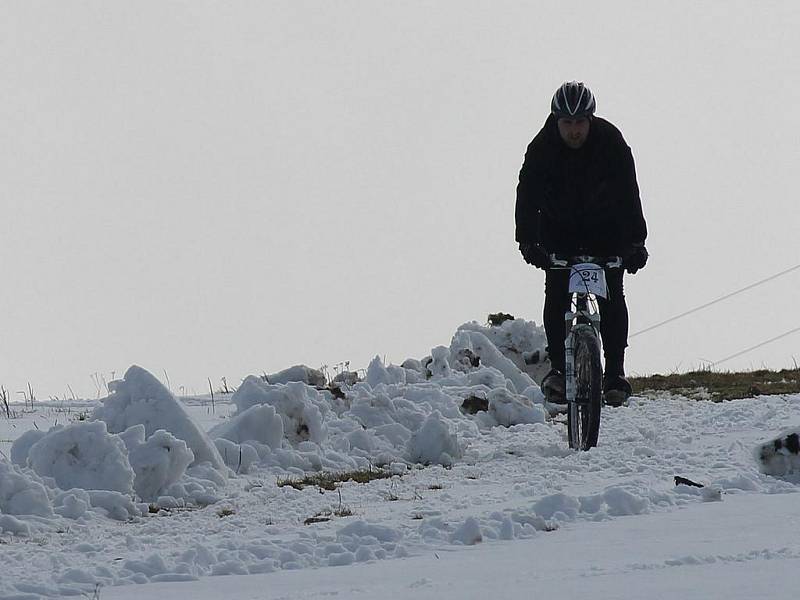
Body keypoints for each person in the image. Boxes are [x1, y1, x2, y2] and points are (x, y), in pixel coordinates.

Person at [515, 81, 648, 407]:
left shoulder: (612, 142)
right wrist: (528, 241)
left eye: (580, 123)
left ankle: (615, 375)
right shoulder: (541, 148)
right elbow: (527, 194)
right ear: (556, 121)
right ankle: (559, 370)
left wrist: (636, 242)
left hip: (607, 232)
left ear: (591, 120)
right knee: (557, 291)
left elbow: (629, 192)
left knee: (613, 295)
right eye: (567, 123)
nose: (574, 131)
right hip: (559, 233)